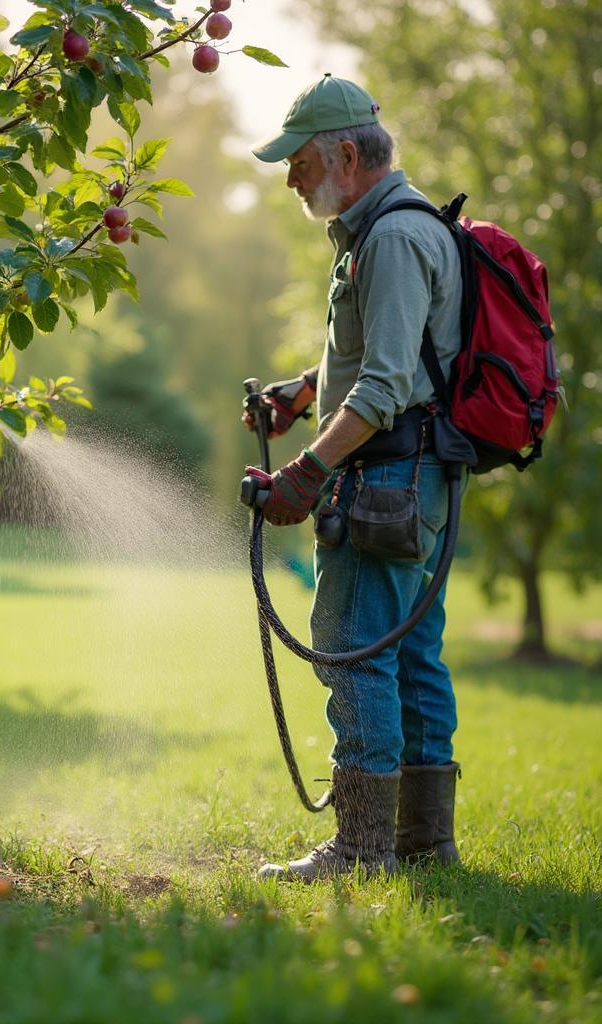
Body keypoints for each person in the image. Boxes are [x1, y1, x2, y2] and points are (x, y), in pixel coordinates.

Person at [246, 75, 464, 882]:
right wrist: (307, 391)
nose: (291, 179)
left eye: (299, 163)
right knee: (410, 659)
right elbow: (387, 364)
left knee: (353, 651)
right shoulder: (386, 231)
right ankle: (424, 847)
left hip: (385, 487)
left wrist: (305, 473)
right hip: (411, 481)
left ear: (344, 153)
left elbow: (383, 389)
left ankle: (365, 850)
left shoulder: (397, 237)